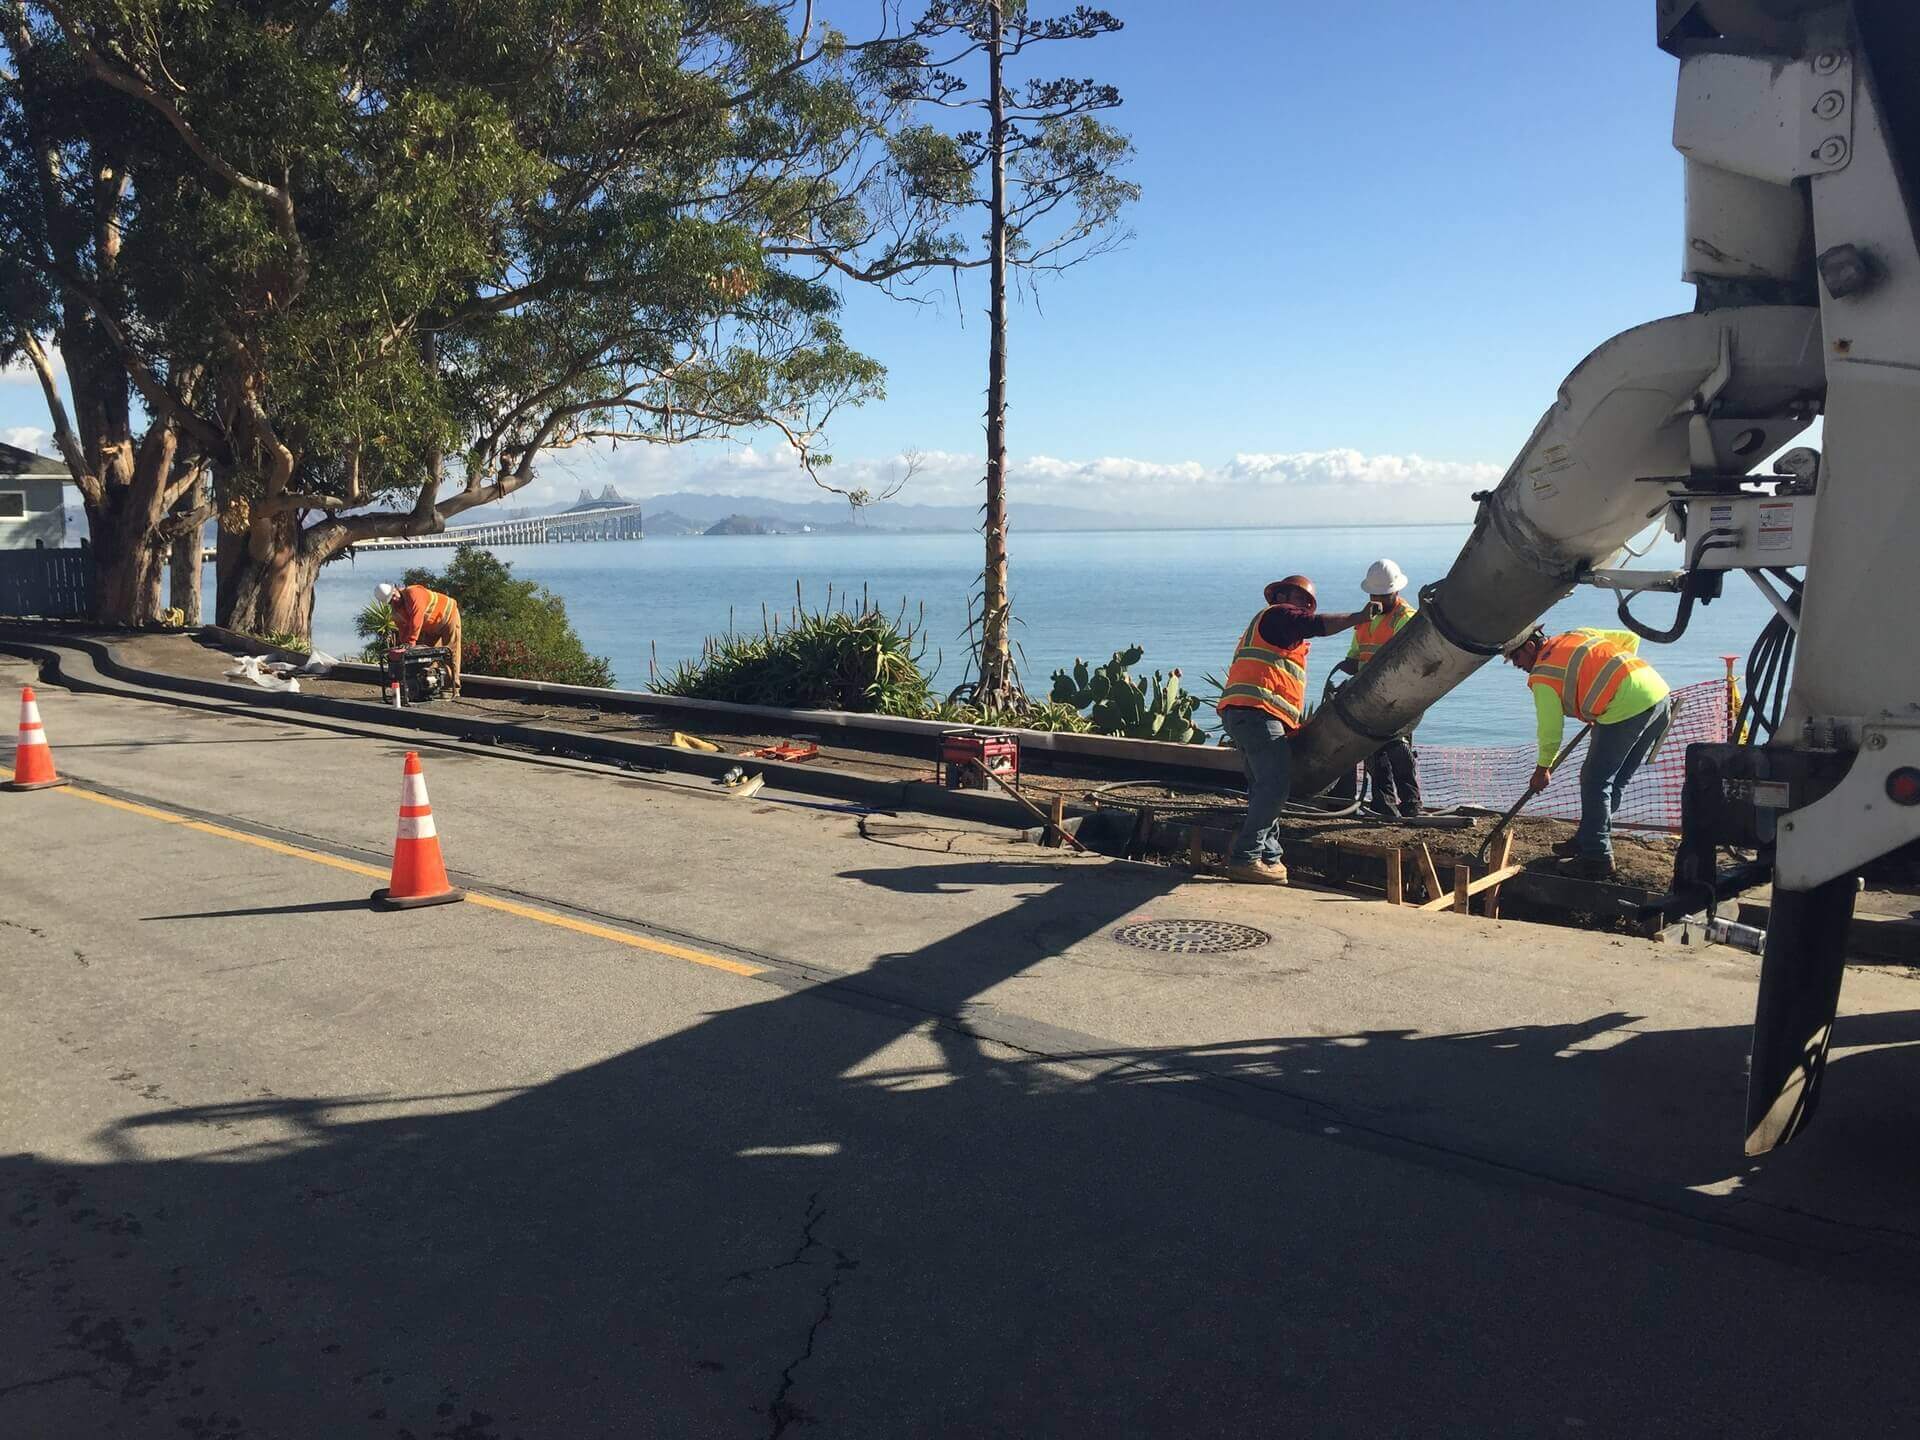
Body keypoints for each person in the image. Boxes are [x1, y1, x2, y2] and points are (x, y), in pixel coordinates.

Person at [1216, 574, 1371, 885]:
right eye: (1301, 601)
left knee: (1264, 787)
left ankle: (1269, 857)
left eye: (1306, 603)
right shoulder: (1278, 616)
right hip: (1257, 713)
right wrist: (1359, 617)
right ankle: (1246, 857)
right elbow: (1314, 625)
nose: (1303, 608)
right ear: (1283, 597)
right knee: (1274, 785)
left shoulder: (1274, 632)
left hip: (1244, 713)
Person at [1503, 625, 1672, 878]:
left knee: (1594, 782)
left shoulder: (1542, 676)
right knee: (1614, 782)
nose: (1516, 665)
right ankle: (1588, 838)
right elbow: (1629, 639)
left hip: (1626, 708)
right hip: (1658, 695)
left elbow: (1550, 731)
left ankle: (1597, 858)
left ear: (1529, 647)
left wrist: (1542, 769)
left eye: (1515, 657)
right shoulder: (1576, 634)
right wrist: (1611, 687)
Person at [1329, 558, 1421, 818]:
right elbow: (1356, 654)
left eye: (1384, 594)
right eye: (1375, 594)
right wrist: (1351, 665)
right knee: (1372, 748)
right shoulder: (1365, 617)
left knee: (1395, 746)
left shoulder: (1406, 618)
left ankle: (1411, 804)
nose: (1378, 599)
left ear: (1396, 591)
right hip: (1370, 696)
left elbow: (1406, 659)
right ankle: (1384, 805)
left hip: (1399, 695)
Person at [377, 580, 463, 692]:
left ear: (396, 589)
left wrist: (411, 642)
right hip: (430, 626)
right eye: (390, 600)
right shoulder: (396, 611)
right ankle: (432, 686)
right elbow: (403, 630)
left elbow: (417, 618)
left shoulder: (413, 593)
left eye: (394, 595)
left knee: (451, 654)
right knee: (429, 655)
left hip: (448, 616)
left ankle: (453, 688)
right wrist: (405, 646)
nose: (394, 599)